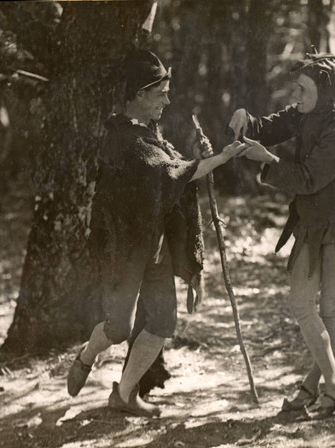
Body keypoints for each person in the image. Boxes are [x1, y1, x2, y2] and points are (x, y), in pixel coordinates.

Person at [67, 49, 246, 417]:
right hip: (125, 248)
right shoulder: (124, 139)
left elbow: (173, 164)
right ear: (138, 95)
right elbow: (169, 174)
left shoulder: (149, 134)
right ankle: (86, 356)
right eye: (160, 93)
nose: (167, 99)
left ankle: (125, 393)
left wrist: (201, 156)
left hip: (156, 247)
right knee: (119, 328)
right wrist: (222, 158)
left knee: (163, 323)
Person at [227, 50, 335, 414]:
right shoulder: (305, 113)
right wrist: (248, 120)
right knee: (302, 303)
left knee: (330, 307)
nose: (296, 97)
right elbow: (269, 127)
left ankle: (312, 388)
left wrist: (269, 162)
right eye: (296, 89)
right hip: (310, 219)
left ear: (325, 92)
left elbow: (308, 178)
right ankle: (334, 385)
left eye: (303, 90)